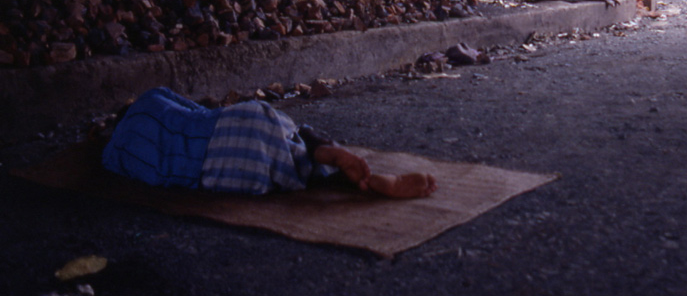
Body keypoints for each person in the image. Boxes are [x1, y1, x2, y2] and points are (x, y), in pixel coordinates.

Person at [102, 87, 437, 198]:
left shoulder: (117, 151)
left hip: (218, 166)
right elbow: (195, 107)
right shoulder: (150, 100)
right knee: (295, 138)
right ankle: (325, 152)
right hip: (243, 122)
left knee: (287, 174)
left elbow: (139, 170)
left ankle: (343, 179)